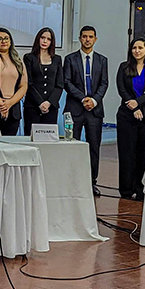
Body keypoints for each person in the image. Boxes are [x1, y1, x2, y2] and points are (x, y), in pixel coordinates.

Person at [115, 37, 145, 202]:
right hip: (127, 117)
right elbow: (122, 89)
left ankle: (142, 189)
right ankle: (127, 190)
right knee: (127, 153)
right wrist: (134, 107)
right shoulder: (124, 67)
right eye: (134, 48)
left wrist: (139, 103)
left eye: (140, 48)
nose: (137, 51)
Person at [63, 26, 109, 197]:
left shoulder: (102, 60)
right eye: (84, 37)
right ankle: (71, 181)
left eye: (90, 37)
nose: (87, 39)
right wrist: (83, 99)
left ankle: (91, 182)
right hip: (75, 108)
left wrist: (94, 100)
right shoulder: (70, 59)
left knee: (94, 147)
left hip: (95, 110)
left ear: (95, 39)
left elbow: (104, 83)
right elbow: (67, 82)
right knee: (72, 147)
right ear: (80, 38)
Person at [22, 27, 63, 135]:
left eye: (48, 39)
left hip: (51, 107)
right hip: (32, 106)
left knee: (48, 140)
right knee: (31, 138)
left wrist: (48, 103)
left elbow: (59, 84)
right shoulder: (29, 58)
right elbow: (28, 83)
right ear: (38, 39)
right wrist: (40, 103)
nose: (45, 41)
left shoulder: (57, 59)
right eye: (42, 38)